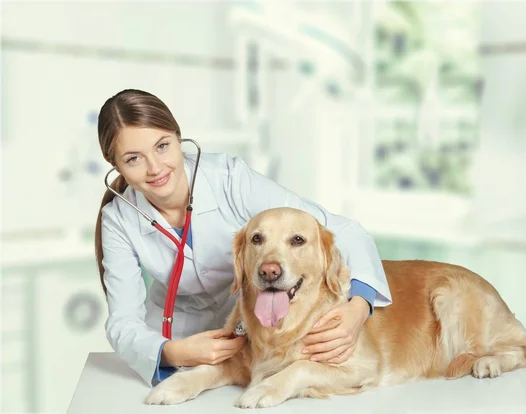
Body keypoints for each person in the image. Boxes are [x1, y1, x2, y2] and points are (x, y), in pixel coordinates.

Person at [94, 89, 392, 387]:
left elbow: (341, 231)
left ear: (178, 136)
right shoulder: (118, 220)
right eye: (133, 159)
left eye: (162, 146)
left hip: (254, 329)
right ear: (115, 164)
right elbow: (122, 321)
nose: (155, 168)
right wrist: (173, 352)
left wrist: (359, 308)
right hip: (182, 340)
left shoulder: (229, 178)